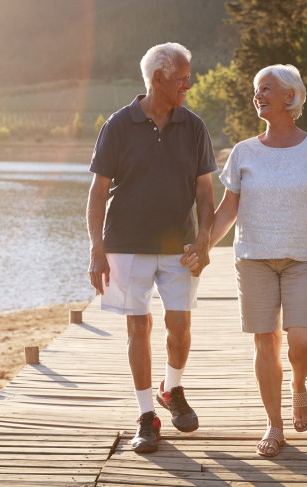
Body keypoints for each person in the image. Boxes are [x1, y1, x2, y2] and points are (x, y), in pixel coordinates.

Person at [185, 64, 307, 457]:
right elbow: (227, 210)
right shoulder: (243, 152)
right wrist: (203, 244)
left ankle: (299, 385)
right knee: (265, 342)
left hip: (302, 259)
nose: (258, 95)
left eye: (266, 89)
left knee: (302, 339)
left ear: (290, 97)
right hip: (253, 260)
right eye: (256, 89)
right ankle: (274, 425)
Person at [87, 42, 217, 454]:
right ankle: (147, 414)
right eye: (183, 77)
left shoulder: (194, 126)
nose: (189, 83)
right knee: (137, 327)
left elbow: (205, 191)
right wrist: (96, 248)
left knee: (179, 328)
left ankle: (171, 388)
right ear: (158, 78)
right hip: (125, 244)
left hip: (179, 246)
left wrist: (204, 240)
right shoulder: (118, 125)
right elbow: (98, 189)